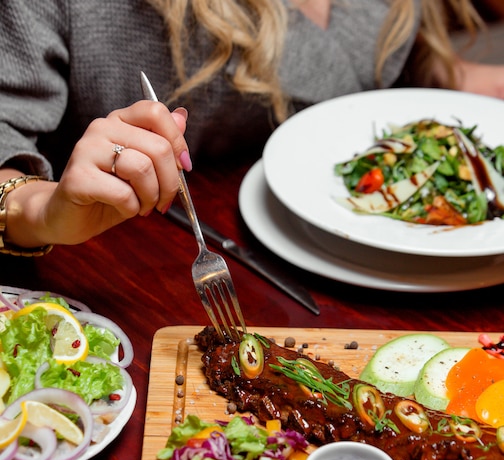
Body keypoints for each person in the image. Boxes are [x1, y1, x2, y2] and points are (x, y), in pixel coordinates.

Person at [0, 0, 502, 256]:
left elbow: (376, 59)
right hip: (139, 264)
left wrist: (449, 78)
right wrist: (38, 208)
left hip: (408, 260)